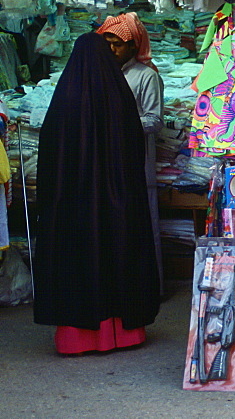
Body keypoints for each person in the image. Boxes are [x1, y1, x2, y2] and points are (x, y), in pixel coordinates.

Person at [34, 33, 160, 353]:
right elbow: (134, 144)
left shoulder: (65, 96)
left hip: (74, 203)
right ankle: (123, 334)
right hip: (118, 199)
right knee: (118, 256)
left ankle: (77, 338)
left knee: (79, 260)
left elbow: (49, 152)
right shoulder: (118, 94)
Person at [95, 12, 165, 290]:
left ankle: (152, 287)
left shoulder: (146, 77)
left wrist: (119, 123)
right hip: (107, 159)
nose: (112, 49)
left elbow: (154, 120)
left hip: (137, 159)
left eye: (118, 44)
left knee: (144, 221)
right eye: (108, 43)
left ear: (133, 46)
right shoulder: (102, 74)